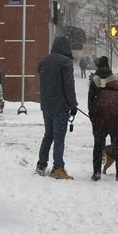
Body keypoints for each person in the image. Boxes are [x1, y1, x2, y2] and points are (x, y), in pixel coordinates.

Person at [36, 36, 79, 180]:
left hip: (46, 105)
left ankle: (41, 164)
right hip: (60, 106)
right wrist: (73, 104)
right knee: (59, 138)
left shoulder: (43, 61)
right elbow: (69, 85)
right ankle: (58, 167)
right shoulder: (65, 62)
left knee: (48, 134)